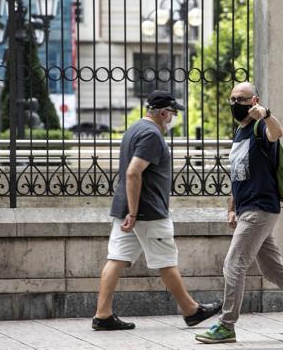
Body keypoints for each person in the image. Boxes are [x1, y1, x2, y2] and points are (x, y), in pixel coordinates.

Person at [195, 82, 283, 344]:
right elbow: (237, 175)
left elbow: (278, 132)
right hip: (247, 207)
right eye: (233, 99)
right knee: (273, 270)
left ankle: (227, 325)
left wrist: (267, 114)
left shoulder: (261, 127)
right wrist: (231, 207)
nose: (236, 104)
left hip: (260, 208)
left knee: (233, 264)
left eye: (242, 99)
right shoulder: (240, 131)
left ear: (254, 100)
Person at [92, 90, 222, 330]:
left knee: (116, 259)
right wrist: (134, 212)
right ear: (163, 113)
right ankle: (191, 310)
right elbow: (133, 172)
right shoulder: (152, 134)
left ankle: (102, 315)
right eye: (172, 114)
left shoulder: (134, 129)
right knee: (166, 261)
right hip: (147, 211)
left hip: (127, 210)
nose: (172, 119)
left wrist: (129, 212)